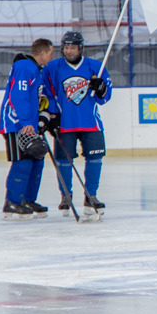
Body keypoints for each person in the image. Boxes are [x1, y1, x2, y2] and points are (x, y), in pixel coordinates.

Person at [41, 31, 112, 218]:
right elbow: (46, 93)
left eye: (72, 47)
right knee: (63, 161)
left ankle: (91, 196)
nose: (69, 50)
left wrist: (101, 88)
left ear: (80, 48)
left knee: (95, 159)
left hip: (91, 122)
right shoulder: (52, 68)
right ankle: (65, 196)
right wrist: (52, 115)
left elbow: (105, 98)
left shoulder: (96, 67)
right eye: (66, 47)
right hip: (65, 123)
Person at [0, 38, 55, 219]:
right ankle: (12, 202)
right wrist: (25, 122)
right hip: (16, 124)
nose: (52, 57)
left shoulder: (36, 70)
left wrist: (44, 116)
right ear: (42, 53)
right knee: (22, 162)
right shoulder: (24, 67)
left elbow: (35, 99)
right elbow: (19, 96)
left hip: (29, 123)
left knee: (37, 159)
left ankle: (27, 199)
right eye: (51, 53)